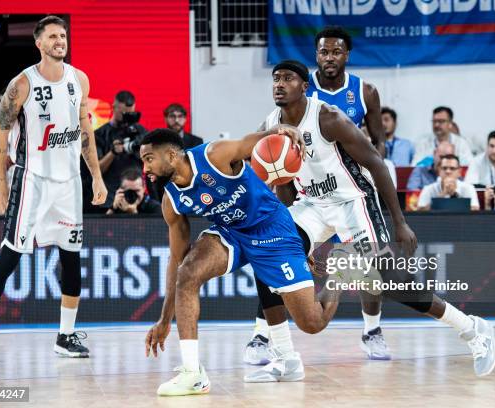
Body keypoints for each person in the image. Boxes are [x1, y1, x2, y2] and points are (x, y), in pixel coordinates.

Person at [245, 60, 495, 382]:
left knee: (389, 279)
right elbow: (282, 182)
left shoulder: (328, 118)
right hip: (311, 204)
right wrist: (292, 236)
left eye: (288, 79)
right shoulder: (270, 124)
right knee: (269, 249)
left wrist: (399, 222)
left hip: (353, 202)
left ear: (304, 86)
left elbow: (376, 163)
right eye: (275, 78)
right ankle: (284, 356)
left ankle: (471, 328)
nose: (279, 84)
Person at [140, 128, 344, 396]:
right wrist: (164, 320)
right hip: (232, 233)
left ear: (171, 154)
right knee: (188, 272)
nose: (145, 169)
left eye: (149, 159)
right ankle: (193, 374)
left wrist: (280, 131)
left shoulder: (214, 155)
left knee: (312, 323)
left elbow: (253, 141)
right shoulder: (172, 201)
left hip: (272, 228)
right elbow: (176, 262)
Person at [0, 16, 107, 363]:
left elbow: (86, 131)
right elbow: (0, 132)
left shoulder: (79, 79)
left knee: (72, 263)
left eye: (63, 35)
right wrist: (0, 181)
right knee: (9, 257)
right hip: (33, 182)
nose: (61, 40)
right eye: (53, 36)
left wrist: (97, 177)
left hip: (69, 184)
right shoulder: (22, 84)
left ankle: (65, 336)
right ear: (39, 43)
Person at [245, 26, 391, 364]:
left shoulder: (364, 91)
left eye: (335, 52)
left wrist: (374, 179)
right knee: (275, 253)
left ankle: (372, 330)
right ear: (316, 56)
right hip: (310, 188)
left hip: (355, 191)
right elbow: (277, 151)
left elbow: (377, 142)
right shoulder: (298, 93)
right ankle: (261, 335)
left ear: (346, 55)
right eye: (323, 52)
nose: (329, 57)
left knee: (371, 266)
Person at [91, 90, 146, 210]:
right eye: (123, 113)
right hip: (109, 198)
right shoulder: (99, 135)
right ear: (113, 107)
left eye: (130, 113)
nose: (127, 116)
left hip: (137, 198)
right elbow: (96, 171)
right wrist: (113, 153)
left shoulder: (141, 132)